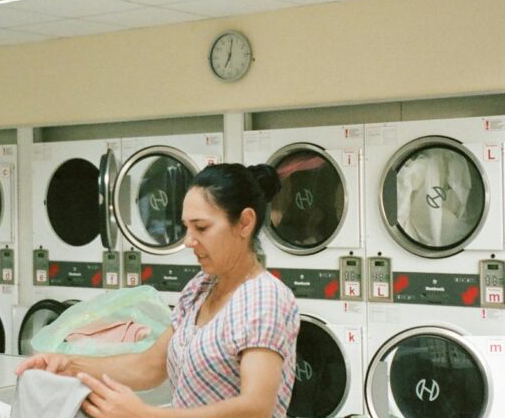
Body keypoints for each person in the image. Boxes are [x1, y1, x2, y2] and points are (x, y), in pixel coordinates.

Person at [16, 164, 300, 417]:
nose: (189, 240)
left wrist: (145, 415)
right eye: (186, 227)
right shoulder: (200, 289)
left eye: (201, 228)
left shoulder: (264, 299)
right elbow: (149, 366)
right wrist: (67, 364)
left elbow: (255, 408)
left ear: (245, 223)